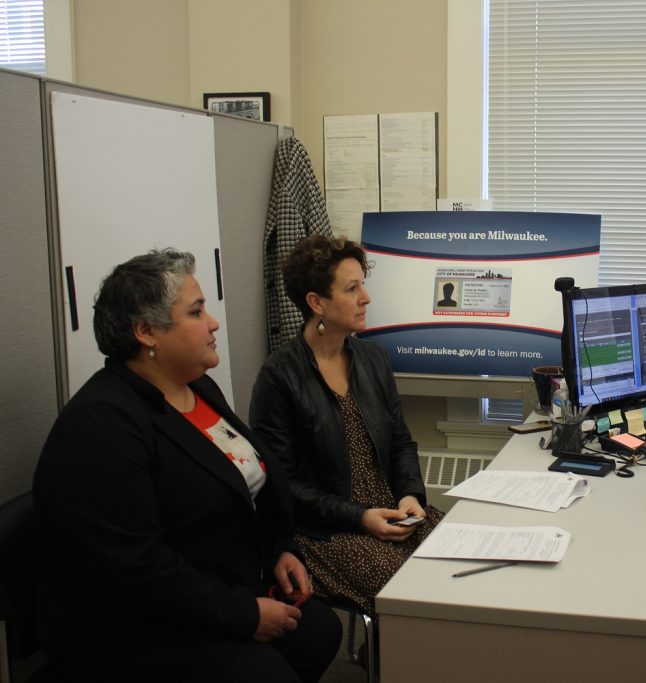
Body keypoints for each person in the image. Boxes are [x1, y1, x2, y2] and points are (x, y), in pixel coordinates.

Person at [33, 250, 342, 683]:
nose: (213, 323)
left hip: (216, 582)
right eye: (196, 312)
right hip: (135, 625)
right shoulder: (101, 426)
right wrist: (243, 613)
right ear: (146, 332)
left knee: (319, 632)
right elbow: (138, 570)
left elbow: (248, 483)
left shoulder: (196, 386)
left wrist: (278, 550)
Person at [249, 234, 443, 613]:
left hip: (392, 513)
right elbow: (282, 484)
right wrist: (360, 517)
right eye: (352, 288)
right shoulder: (279, 377)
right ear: (316, 303)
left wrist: (410, 496)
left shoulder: (372, 359)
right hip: (327, 530)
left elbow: (401, 442)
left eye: (363, 285)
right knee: (418, 592)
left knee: (463, 559)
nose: (366, 298)